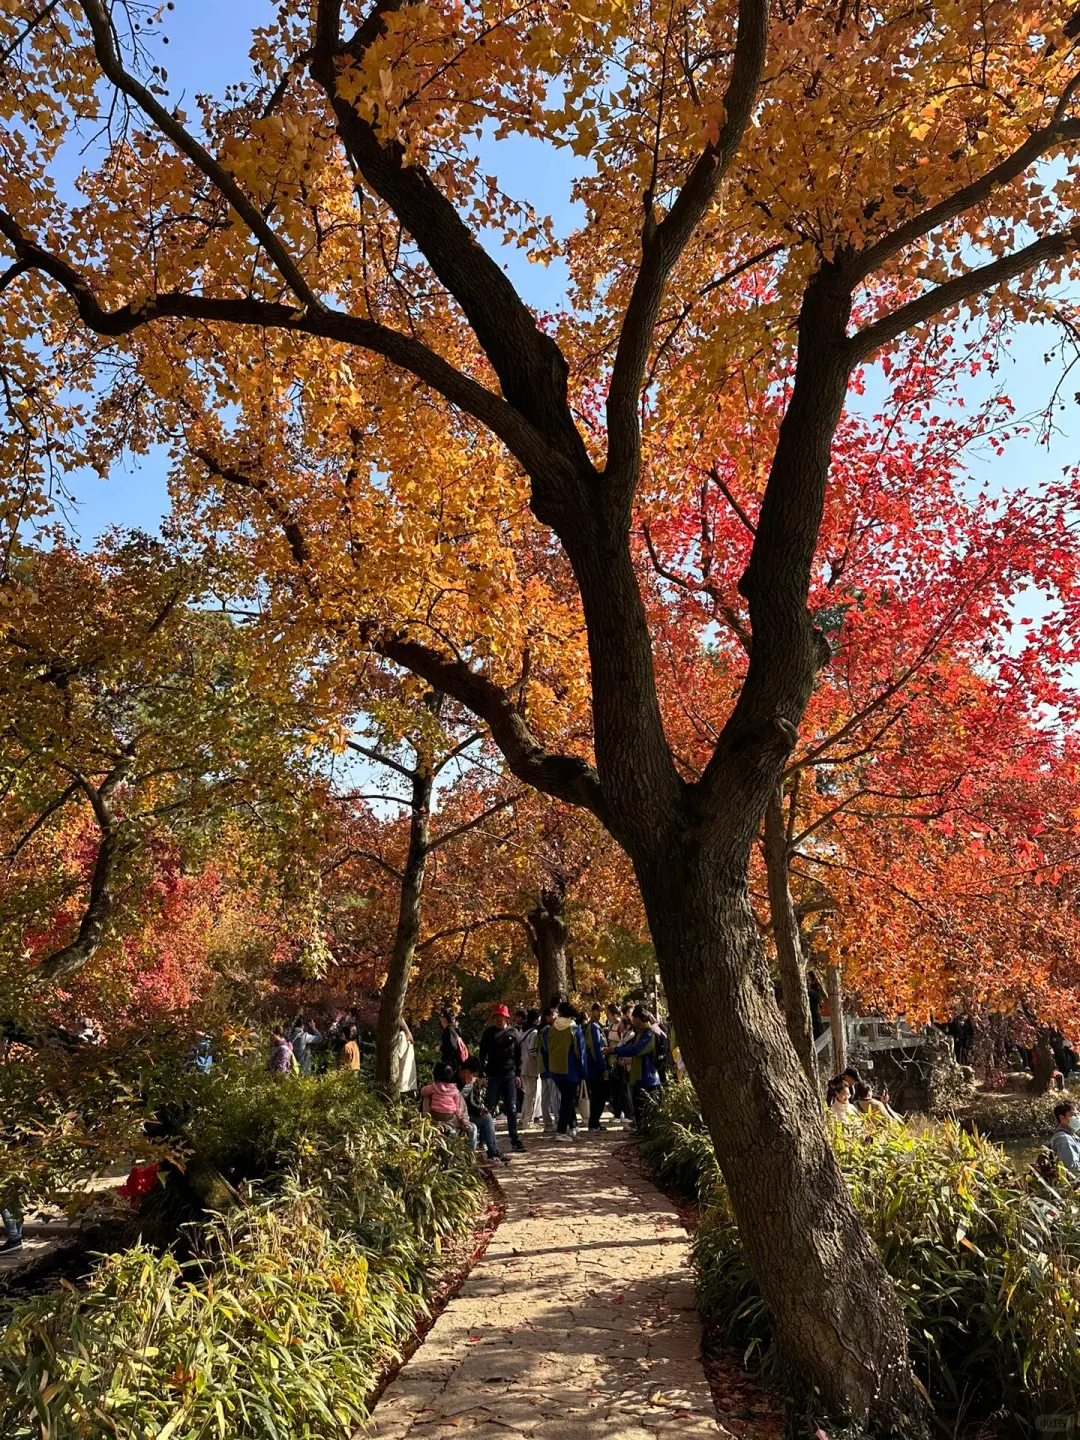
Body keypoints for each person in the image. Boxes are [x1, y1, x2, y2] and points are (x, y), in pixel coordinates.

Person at [479, 1004, 525, 1153]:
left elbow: (518, 1055)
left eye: (501, 1016)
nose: (499, 1019)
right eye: (497, 1016)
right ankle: (483, 1139)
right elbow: (482, 1055)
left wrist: (518, 1074)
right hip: (493, 1075)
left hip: (509, 1074)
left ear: (507, 1017)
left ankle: (515, 1139)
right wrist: (481, 1074)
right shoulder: (489, 1033)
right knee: (490, 1107)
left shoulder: (514, 1033)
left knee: (511, 1108)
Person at [607, 1006, 661, 1131]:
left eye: (634, 1017)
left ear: (638, 1018)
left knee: (644, 1109)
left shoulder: (648, 1034)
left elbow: (636, 1050)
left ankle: (644, 1132)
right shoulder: (639, 1033)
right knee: (638, 1107)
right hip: (638, 1076)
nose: (632, 1020)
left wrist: (613, 1050)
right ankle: (640, 1129)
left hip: (648, 1078)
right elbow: (629, 1047)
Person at [542, 1002, 586, 1141]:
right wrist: (583, 1072)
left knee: (567, 1097)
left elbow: (547, 1047)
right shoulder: (574, 1029)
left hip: (555, 1069)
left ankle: (573, 1126)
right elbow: (581, 1053)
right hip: (570, 1069)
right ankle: (561, 1131)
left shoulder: (550, 1029)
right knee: (568, 1099)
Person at [458, 1059, 509, 1164]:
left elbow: (471, 1103)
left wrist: (479, 1109)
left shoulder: (469, 1084)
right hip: (457, 1117)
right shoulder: (454, 1082)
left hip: (467, 1115)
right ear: (466, 1072)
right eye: (473, 1075)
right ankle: (470, 1159)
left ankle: (493, 1152)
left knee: (487, 1118)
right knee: (473, 1127)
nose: (474, 1079)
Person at [421, 1062, 473, 1144]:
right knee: (470, 1129)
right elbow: (457, 1107)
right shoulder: (454, 1090)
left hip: (435, 1116)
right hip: (450, 1116)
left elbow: (423, 1092)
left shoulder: (434, 1087)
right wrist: (461, 1119)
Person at [584, 1003, 609, 1131]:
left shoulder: (597, 1027)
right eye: (598, 1011)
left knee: (599, 1096)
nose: (600, 1013)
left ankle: (595, 1122)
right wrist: (603, 1067)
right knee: (599, 1096)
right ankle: (593, 1122)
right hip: (595, 1067)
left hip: (595, 1066)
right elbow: (595, 1049)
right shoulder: (593, 1027)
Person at [519, 1008, 543, 1128]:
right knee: (531, 1096)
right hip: (531, 1067)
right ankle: (528, 1121)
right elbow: (533, 1051)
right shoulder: (533, 1033)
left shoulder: (521, 1031)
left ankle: (523, 1118)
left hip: (522, 1066)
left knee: (526, 1094)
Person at [538, 1004, 558, 1134]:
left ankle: (547, 1122)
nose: (556, 1017)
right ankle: (557, 1121)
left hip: (543, 1067)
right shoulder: (549, 1030)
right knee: (554, 1095)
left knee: (545, 1097)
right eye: (554, 1014)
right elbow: (551, 1049)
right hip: (551, 1067)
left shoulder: (541, 1031)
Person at [1051, 1100, 1080, 1176]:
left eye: (1078, 1114)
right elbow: (1072, 1169)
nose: (1077, 1118)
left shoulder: (1072, 1135)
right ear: (1062, 1117)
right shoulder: (1064, 1139)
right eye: (1074, 1115)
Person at [391, 1020, 418, 1095]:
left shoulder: (402, 1035)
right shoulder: (408, 1035)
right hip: (408, 1070)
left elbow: (399, 1054)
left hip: (403, 1069)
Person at [439, 1008, 467, 1077]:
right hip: (458, 1063)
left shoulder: (448, 1030)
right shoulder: (455, 1030)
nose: (440, 1019)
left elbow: (452, 1047)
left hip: (450, 1064)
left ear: (445, 1019)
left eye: (441, 1017)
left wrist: (440, 1048)